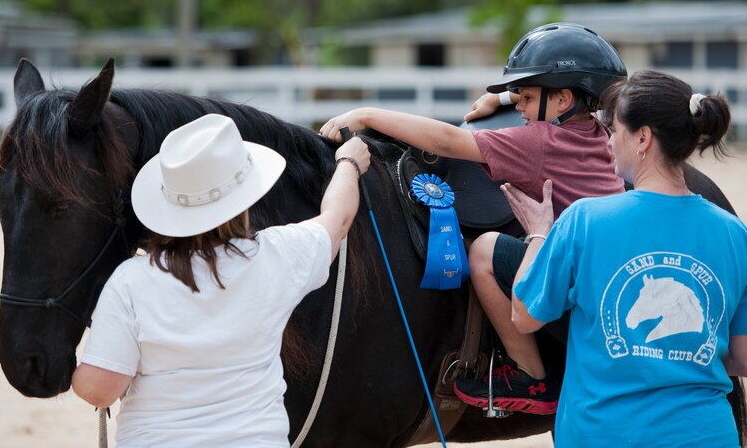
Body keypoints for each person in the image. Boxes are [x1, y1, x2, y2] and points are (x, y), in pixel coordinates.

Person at [320, 22, 627, 413]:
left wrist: (368, 114)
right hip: (605, 283)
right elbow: (537, 114)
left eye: (527, 98)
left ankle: (529, 374)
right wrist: (502, 102)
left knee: (484, 251)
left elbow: (448, 141)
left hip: (577, 296)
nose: (519, 106)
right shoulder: (597, 132)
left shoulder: (540, 142)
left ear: (564, 99)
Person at [71, 113, 370, 448]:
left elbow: (99, 390)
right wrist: (349, 163)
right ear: (243, 196)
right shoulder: (278, 256)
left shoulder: (130, 282)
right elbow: (338, 217)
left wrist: (78, 367)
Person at [502, 69, 747, 446]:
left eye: (614, 131)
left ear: (643, 138)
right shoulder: (734, 234)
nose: (610, 142)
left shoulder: (585, 220)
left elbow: (524, 315)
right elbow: (742, 360)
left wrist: (537, 234)